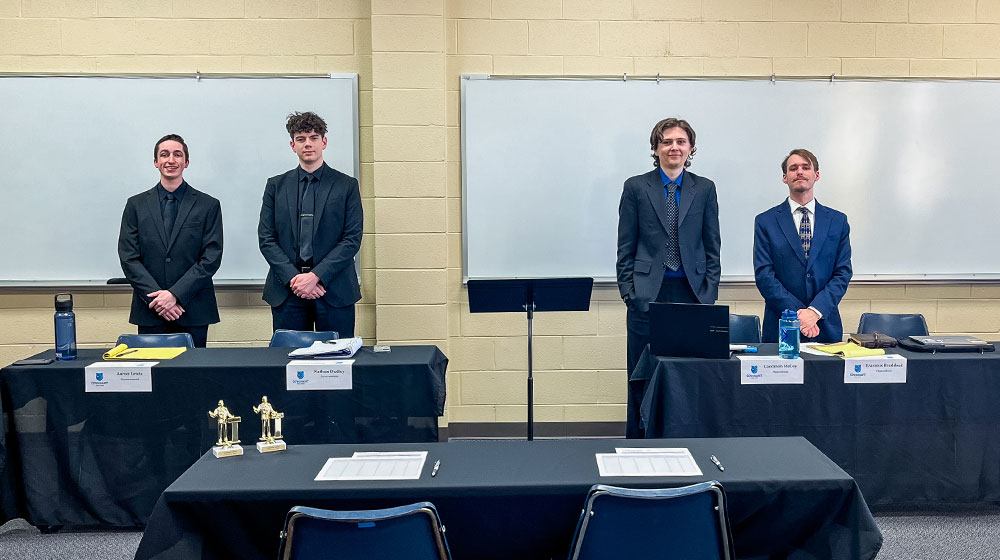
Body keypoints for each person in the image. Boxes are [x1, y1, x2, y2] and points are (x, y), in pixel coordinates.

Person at [617, 117, 721, 438]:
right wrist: (630, 293)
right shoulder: (636, 187)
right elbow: (625, 245)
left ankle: (687, 442)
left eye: (680, 142)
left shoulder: (704, 188)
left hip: (692, 296)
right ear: (656, 148)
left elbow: (712, 244)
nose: (673, 147)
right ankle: (639, 442)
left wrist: (708, 293)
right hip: (647, 295)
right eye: (666, 142)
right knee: (641, 375)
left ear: (690, 149)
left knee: (690, 375)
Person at [258, 111, 362, 336]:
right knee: (289, 363)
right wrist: (295, 279)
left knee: (336, 365)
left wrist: (316, 277)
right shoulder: (276, 186)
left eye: (314, 138)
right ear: (292, 145)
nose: (308, 144)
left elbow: (351, 239)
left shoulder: (346, 186)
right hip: (287, 290)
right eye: (301, 139)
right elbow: (266, 238)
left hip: (333, 289)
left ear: (323, 142)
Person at [118, 134, 223, 348]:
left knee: (192, 379)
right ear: (156, 162)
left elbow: (211, 257)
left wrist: (175, 295)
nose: (171, 160)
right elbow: (129, 257)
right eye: (164, 155)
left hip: (192, 308)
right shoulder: (135, 205)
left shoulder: (208, 205)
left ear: (186, 162)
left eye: (177, 154)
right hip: (150, 308)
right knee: (152, 377)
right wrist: (159, 301)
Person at [753, 148, 852, 343]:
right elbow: (765, 275)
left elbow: (842, 273)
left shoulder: (838, 221)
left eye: (806, 167)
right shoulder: (766, 221)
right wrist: (799, 316)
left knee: (826, 375)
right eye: (793, 168)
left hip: (824, 326)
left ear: (816, 175)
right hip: (781, 327)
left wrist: (814, 312)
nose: (799, 172)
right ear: (785, 177)